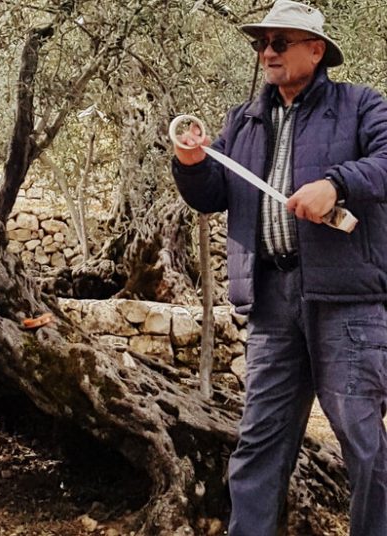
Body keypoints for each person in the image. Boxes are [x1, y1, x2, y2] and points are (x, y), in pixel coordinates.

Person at [171, 1, 387, 534]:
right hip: (270, 304)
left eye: (279, 42)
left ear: (316, 51)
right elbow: (210, 195)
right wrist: (191, 162)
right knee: (259, 444)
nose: (267, 52)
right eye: (260, 43)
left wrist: (336, 183)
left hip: (347, 303)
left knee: (363, 444)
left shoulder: (362, 106)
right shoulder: (241, 121)